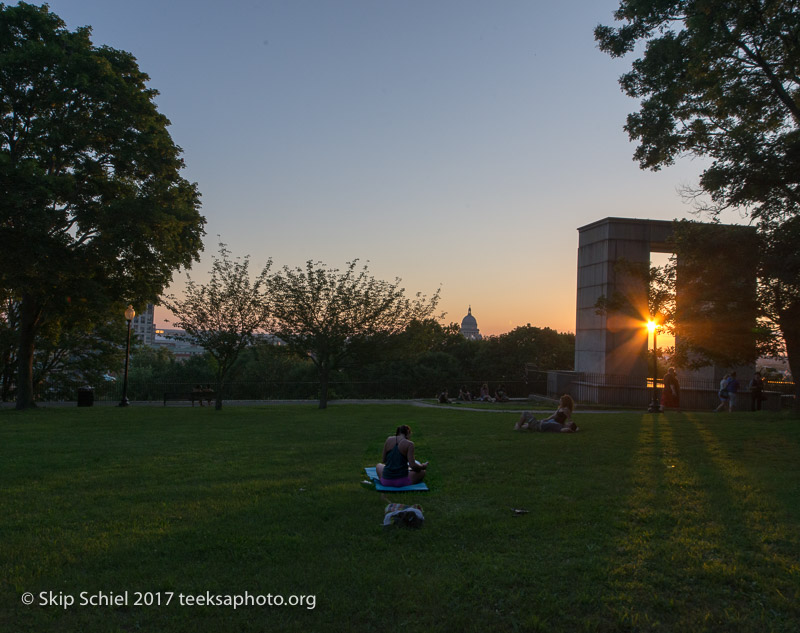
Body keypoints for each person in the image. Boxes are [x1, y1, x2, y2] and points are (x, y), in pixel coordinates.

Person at [515, 394, 579, 433]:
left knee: (525, 413)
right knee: (527, 425)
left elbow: (569, 419)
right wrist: (547, 419)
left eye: (561, 401)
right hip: (543, 424)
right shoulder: (561, 410)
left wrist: (572, 429)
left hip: (540, 426)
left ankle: (518, 427)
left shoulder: (565, 411)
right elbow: (554, 415)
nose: (560, 402)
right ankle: (519, 426)